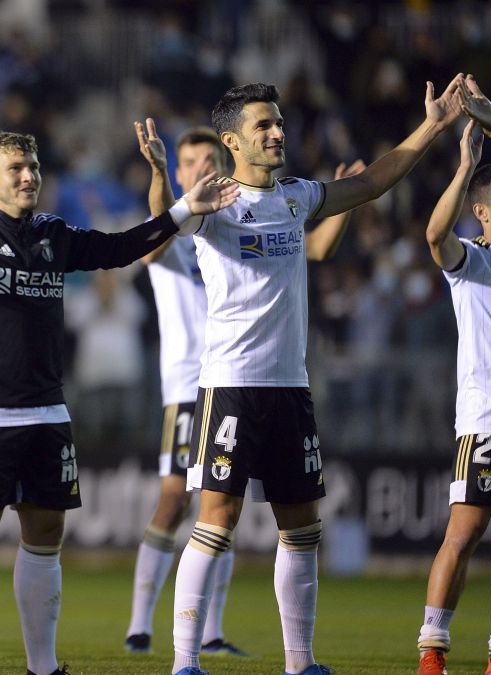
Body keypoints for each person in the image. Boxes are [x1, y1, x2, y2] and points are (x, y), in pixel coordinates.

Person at [0, 130, 239, 675]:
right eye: (16, 168)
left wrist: (181, 211)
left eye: (33, 166)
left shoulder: (53, 234)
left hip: (48, 411)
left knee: (45, 535)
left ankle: (43, 666)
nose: (29, 176)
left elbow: (119, 248)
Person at [168, 78, 463, 675]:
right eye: (263, 126)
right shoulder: (212, 204)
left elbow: (373, 181)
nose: (278, 132)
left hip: (291, 389)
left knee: (301, 528)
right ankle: (184, 663)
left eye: (279, 123)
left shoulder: (298, 197)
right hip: (230, 386)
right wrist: (166, 186)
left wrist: (433, 127)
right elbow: (160, 225)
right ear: (232, 140)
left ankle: (300, 664)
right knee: (216, 521)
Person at [126, 121, 363, 657]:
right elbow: (155, 229)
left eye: (206, 159)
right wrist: (161, 172)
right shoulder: (175, 228)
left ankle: (210, 632)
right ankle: (142, 625)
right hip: (194, 386)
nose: (200, 168)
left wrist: (345, 199)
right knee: (177, 503)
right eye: (189, 162)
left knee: (223, 508)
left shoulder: (240, 217)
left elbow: (314, 249)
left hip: (252, 381)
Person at [414, 77, 491, 675]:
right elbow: (434, 237)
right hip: (486, 421)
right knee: (462, 535)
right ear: (483, 211)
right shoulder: (475, 263)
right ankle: (433, 651)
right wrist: (466, 165)